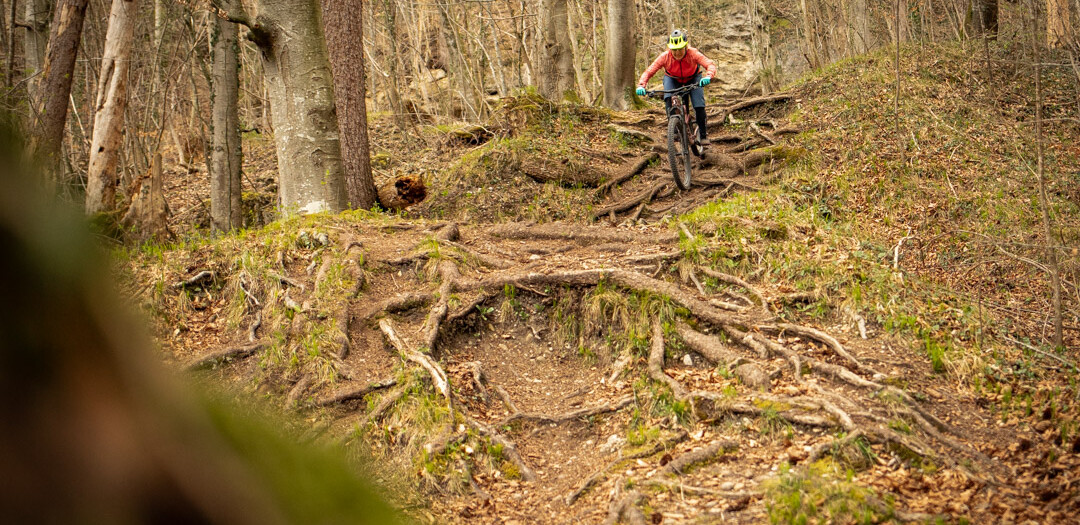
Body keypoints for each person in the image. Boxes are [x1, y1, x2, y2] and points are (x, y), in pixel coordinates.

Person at [636, 29, 717, 145]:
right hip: (672, 79)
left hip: (693, 78)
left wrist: (708, 76)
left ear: (685, 47)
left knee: (699, 105)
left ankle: (703, 135)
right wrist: (641, 85)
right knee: (668, 99)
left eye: (680, 49)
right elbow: (649, 72)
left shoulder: (693, 53)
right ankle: (673, 130)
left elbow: (709, 64)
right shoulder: (665, 56)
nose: (677, 52)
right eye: (674, 50)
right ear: (670, 49)